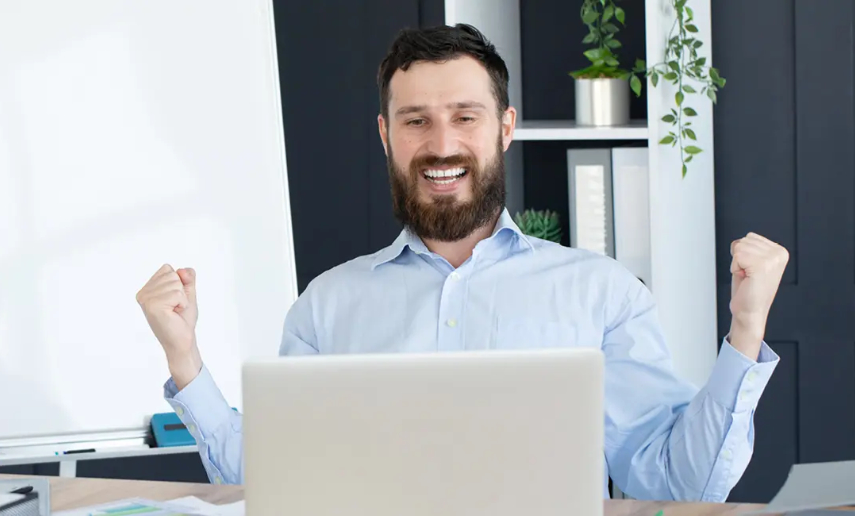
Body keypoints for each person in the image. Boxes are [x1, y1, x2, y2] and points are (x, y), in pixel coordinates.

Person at [135, 23, 788, 501]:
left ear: (504, 128)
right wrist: (184, 358)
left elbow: (677, 483)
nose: (441, 144)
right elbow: (269, 484)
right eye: (416, 121)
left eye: (465, 117)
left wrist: (746, 329)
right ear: (386, 135)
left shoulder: (602, 293)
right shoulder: (326, 307)